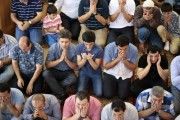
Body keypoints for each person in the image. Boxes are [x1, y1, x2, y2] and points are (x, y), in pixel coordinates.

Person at [43, 29, 77, 100]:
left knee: (73, 79)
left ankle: (54, 88)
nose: (64, 44)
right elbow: (47, 65)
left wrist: (67, 60)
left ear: (70, 41)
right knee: (46, 73)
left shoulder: (74, 49)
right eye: (62, 42)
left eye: (66, 42)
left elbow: (75, 67)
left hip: (67, 71)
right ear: (58, 40)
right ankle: (62, 93)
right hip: (55, 70)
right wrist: (60, 60)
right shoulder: (53, 48)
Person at [103, 35, 138, 100]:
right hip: (111, 73)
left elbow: (133, 68)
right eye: (120, 49)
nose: (123, 51)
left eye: (125, 49)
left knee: (123, 97)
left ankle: (118, 87)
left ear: (128, 45)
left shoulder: (134, 49)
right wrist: (118, 59)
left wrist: (124, 60)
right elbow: (106, 66)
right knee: (108, 95)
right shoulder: (109, 47)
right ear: (116, 46)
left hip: (125, 74)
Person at [76, 31, 103, 97]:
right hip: (84, 72)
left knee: (99, 93)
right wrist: (84, 59)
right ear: (83, 42)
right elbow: (78, 66)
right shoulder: (79, 47)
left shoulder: (99, 49)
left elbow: (96, 67)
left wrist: (90, 59)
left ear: (94, 42)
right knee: (80, 91)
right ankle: (89, 84)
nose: (88, 46)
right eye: (86, 44)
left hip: (96, 73)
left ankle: (90, 84)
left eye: (91, 44)